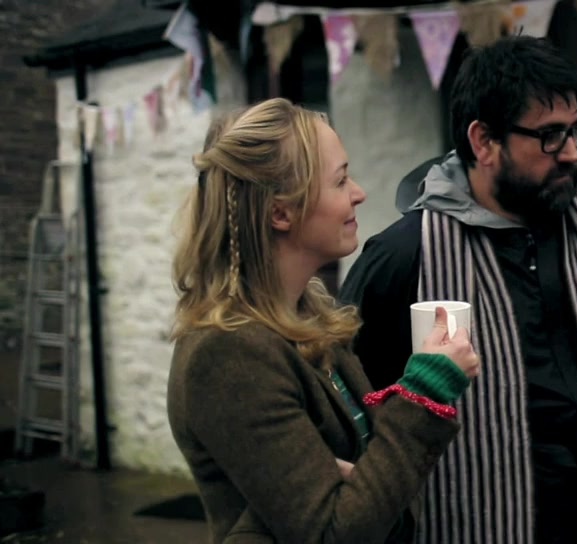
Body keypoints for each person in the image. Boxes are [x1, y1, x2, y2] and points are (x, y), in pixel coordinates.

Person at [339, 36, 577, 543]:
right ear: (483, 142)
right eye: (550, 136)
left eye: (575, 130)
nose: (572, 153)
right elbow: (348, 402)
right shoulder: (405, 256)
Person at [166, 98, 480, 543]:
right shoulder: (229, 352)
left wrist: (360, 479)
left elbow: (367, 485)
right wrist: (424, 392)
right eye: (340, 180)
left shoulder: (307, 316)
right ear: (281, 212)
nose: (359, 192)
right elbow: (332, 533)